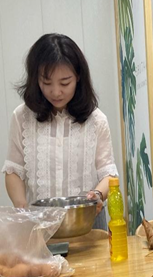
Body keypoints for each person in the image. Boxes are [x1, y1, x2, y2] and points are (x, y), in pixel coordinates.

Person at [2, 33, 118, 229]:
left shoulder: (96, 120)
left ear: (78, 77)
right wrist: (22, 209)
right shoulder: (22, 117)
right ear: (35, 79)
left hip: (87, 223)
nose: (56, 92)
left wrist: (97, 194)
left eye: (65, 83)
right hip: (39, 225)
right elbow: (14, 170)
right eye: (46, 83)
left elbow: (109, 175)